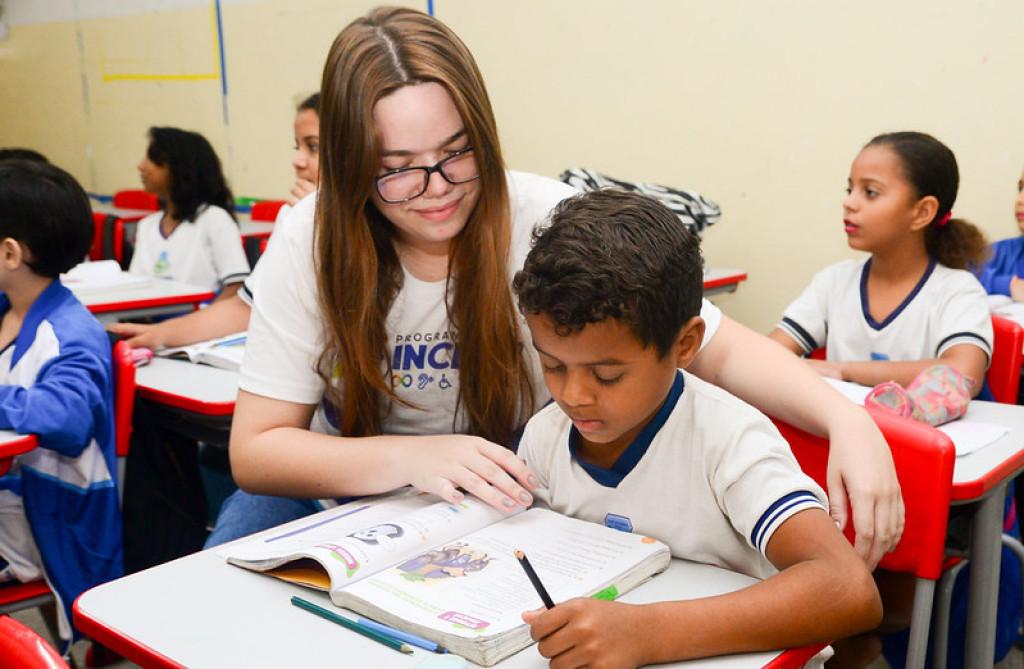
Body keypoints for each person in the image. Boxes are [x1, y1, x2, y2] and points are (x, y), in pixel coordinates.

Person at [215, 7, 902, 569]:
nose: (437, 190)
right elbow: (257, 449)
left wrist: (850, 421)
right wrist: (415, 456)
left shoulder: (541, 213)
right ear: (346, 164)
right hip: (346, 500)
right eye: (397, 169)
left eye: (457, 153)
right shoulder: (310, 236)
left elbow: (713, 345)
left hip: (513, 499)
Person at [512, 190, 880, 666]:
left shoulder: (729, 441)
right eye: (553, 365)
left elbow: (849, 589)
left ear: (685, 344)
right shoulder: (546, 435)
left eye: (607, 375)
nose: (575, 395)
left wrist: (651, 634)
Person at [0, 160, 122, 653]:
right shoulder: (10, 309)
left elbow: (67, 419)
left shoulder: (71, 335)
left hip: (41, 528)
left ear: (10, 253)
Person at [769, 131, 991, 395]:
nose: (849, 202)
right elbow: (769, 354)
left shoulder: (957, 290)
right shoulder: (833, 282)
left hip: (921, 435)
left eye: (870, 192)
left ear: (922, 212)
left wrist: (842, 371)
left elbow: (962, 373)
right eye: (850, 189)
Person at [108, 94, 321, 349]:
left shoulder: (215, 220)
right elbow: (246, 307)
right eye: (297, 147)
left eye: (314, 146)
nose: (297, 161)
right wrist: (159, 334)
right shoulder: (292, 221)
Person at [128, 127, 250, 299]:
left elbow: (235, 287)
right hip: (150, 320)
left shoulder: (214, 220)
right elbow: (136, 288)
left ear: (179, 168)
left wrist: (199, 321)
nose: (141, 166)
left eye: (152, 159)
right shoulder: (146, 225)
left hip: (200, 318)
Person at [977, 167, 1024, 299]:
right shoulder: (1004, 252)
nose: (1019, 200)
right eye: (1020, 189)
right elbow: (959, 273)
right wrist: (1009, 285)